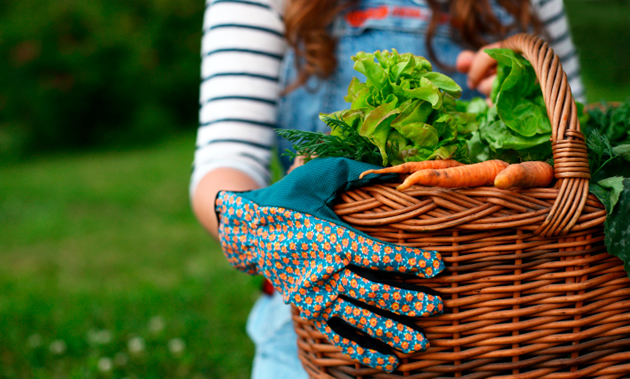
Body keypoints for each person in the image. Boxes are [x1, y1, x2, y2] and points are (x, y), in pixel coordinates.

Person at [191, 0, 584, 377]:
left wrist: (522, 94)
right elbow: (228, 160)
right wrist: (260, 228)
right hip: (322, 312)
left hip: (512, 310)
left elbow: (577, 143)